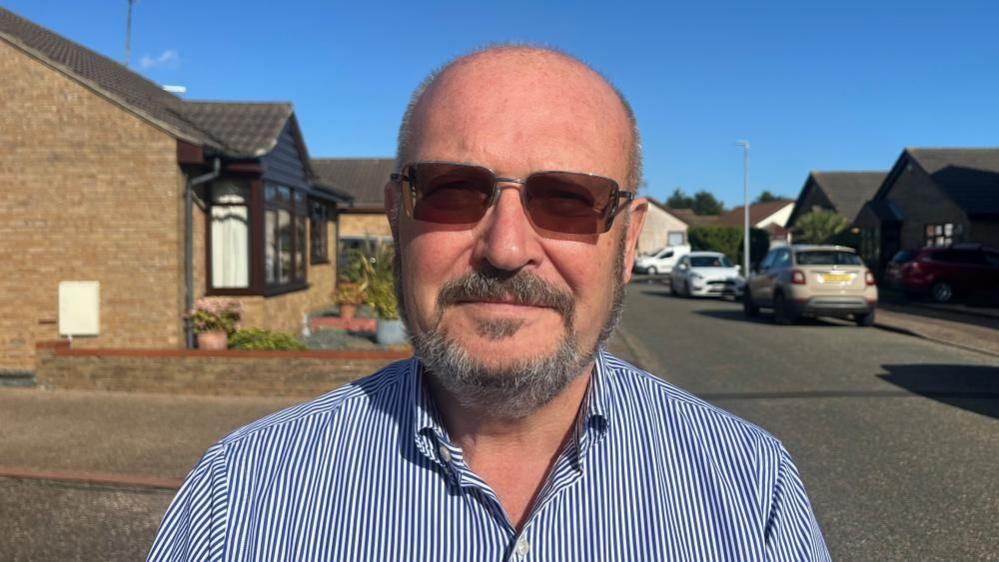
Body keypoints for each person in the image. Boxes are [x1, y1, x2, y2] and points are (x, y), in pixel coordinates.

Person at [149, 45, 830, 561]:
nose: (505, 249)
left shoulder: (750, 490)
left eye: (566, 198)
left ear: (626, 243)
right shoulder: (237, 499)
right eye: (451, 190)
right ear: (397, 216)